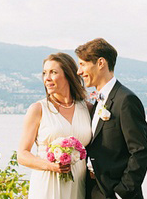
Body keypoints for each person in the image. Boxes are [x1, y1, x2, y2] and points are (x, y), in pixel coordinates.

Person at [76, 38, 147, 199]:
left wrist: (121, 192)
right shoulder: (97, 101)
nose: (79, 72)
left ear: (101, 63)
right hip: (93, 190)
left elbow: (140, 151)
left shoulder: (126, 100)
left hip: (115, 193)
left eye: (82, 64)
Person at [19, 52, 93, 199]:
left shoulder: (88, 109)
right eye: (45, 73)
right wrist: (51, 166)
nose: (47, 78)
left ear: (68, 75)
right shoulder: (38, 109)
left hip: (78, 186)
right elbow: (22, 155)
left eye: (53, 72)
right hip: (47, 185)